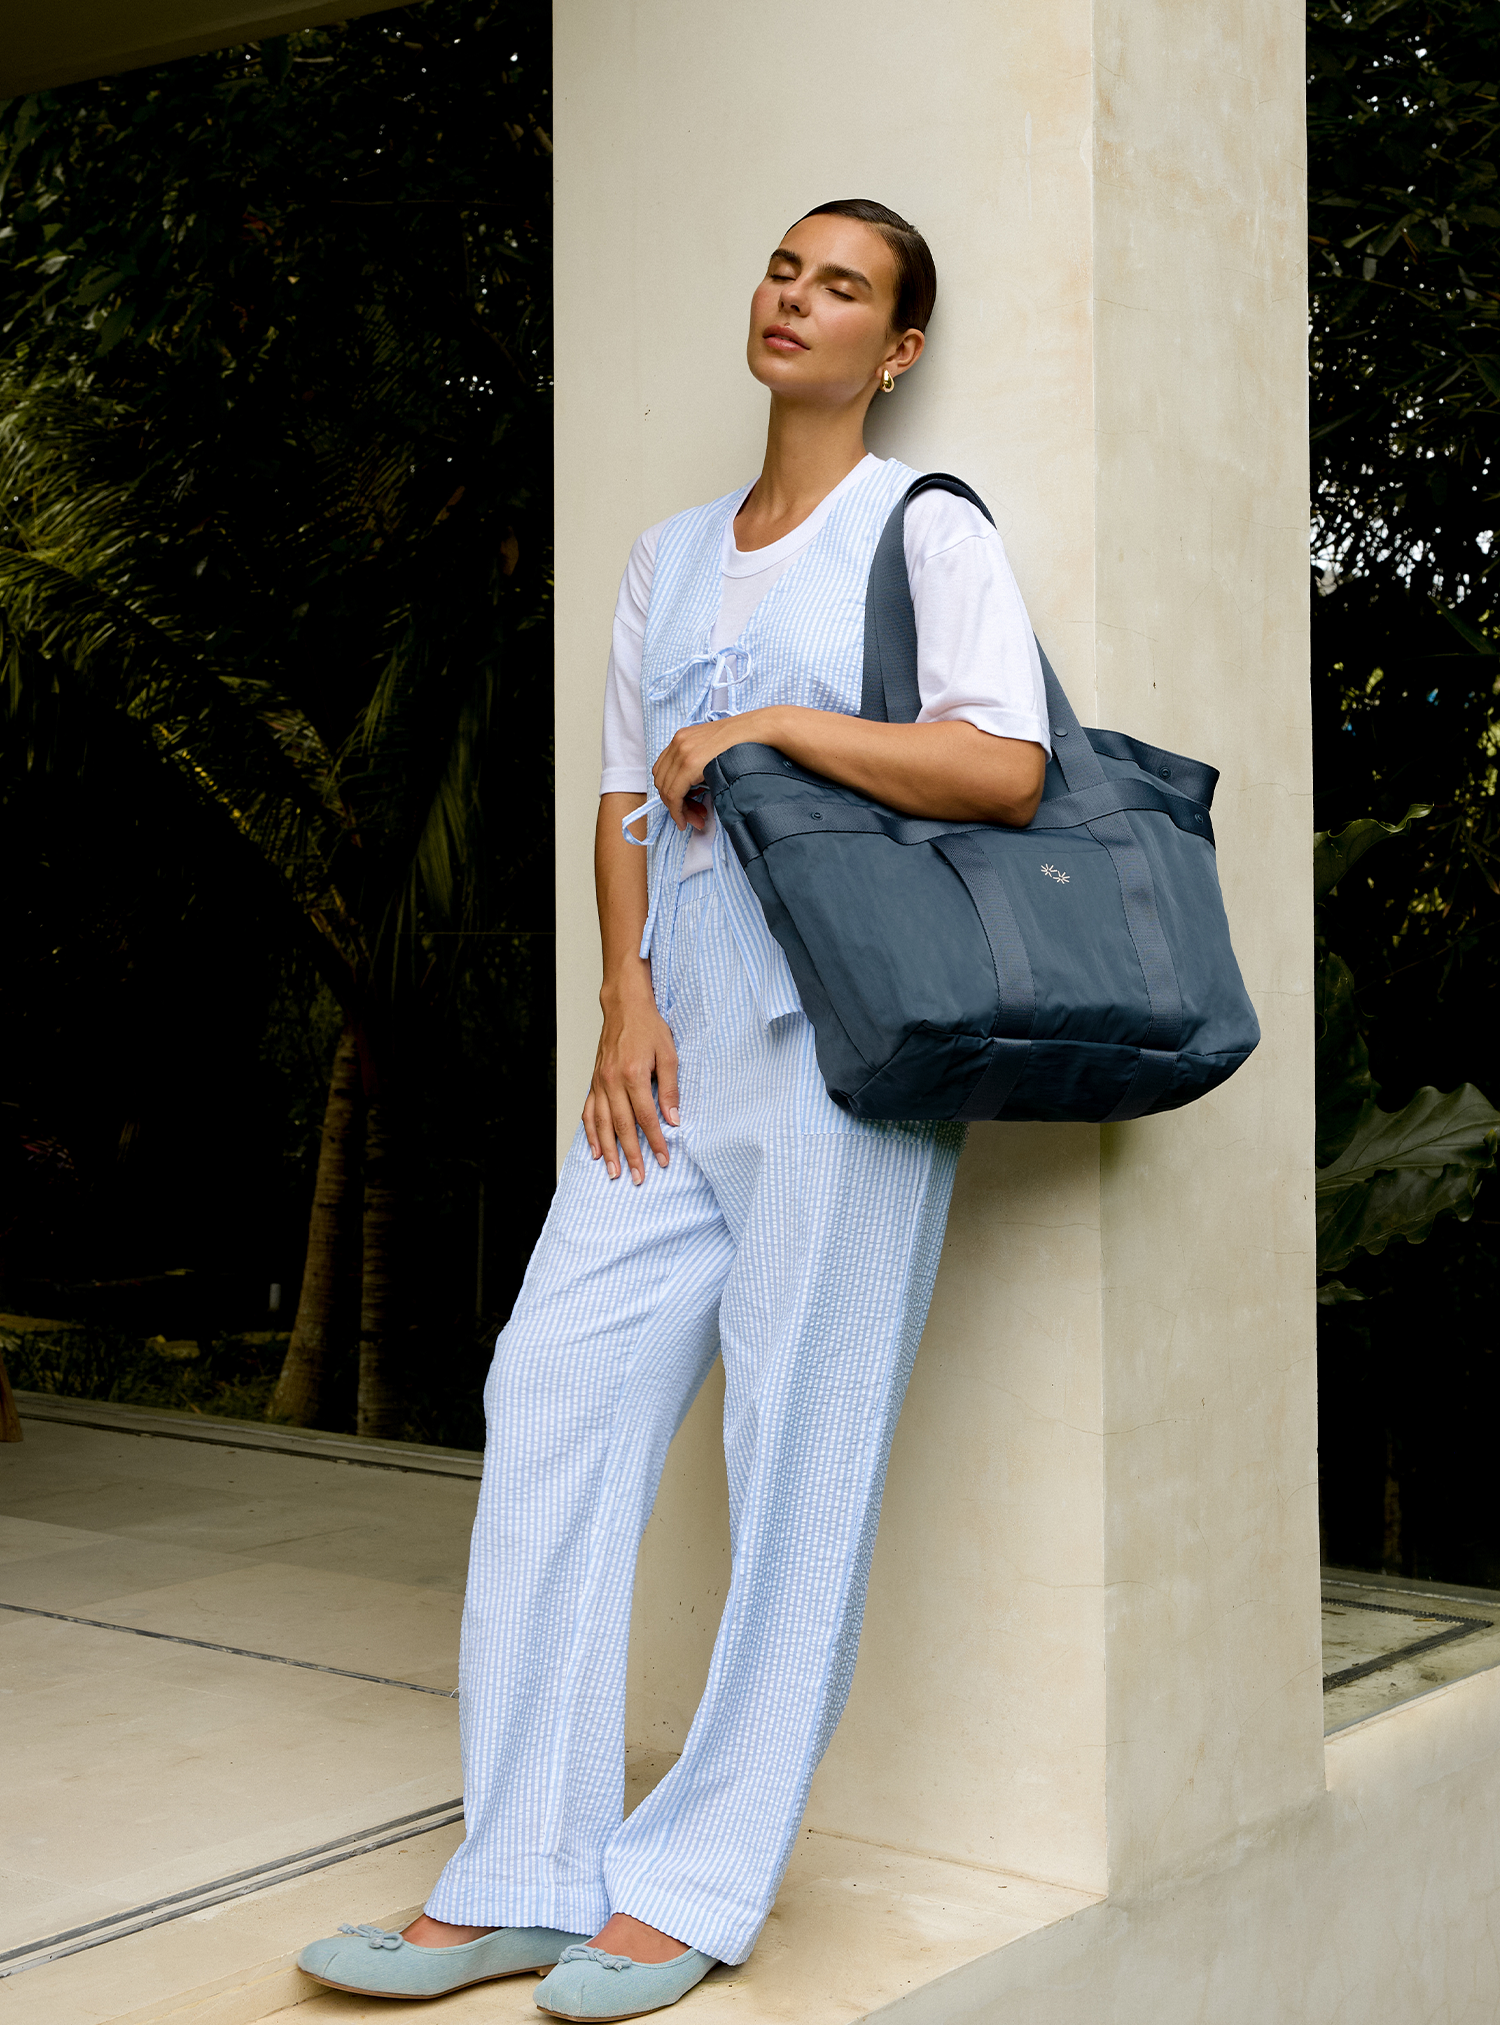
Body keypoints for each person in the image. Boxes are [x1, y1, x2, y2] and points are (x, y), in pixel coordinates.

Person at [297, 198, 1048, 2021]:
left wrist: (774, 725)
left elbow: (1004, 763)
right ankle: (523, 1873)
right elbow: (626, 800)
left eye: (843, 287)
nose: (798, 299)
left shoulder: (921, 528)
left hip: (844, 1049)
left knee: (797, 1457)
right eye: (787, 268)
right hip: (674, 1036)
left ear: (898, 350)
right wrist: (624, 1003)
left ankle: (696, 1882)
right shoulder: (667, 554)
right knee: (552, 1391)